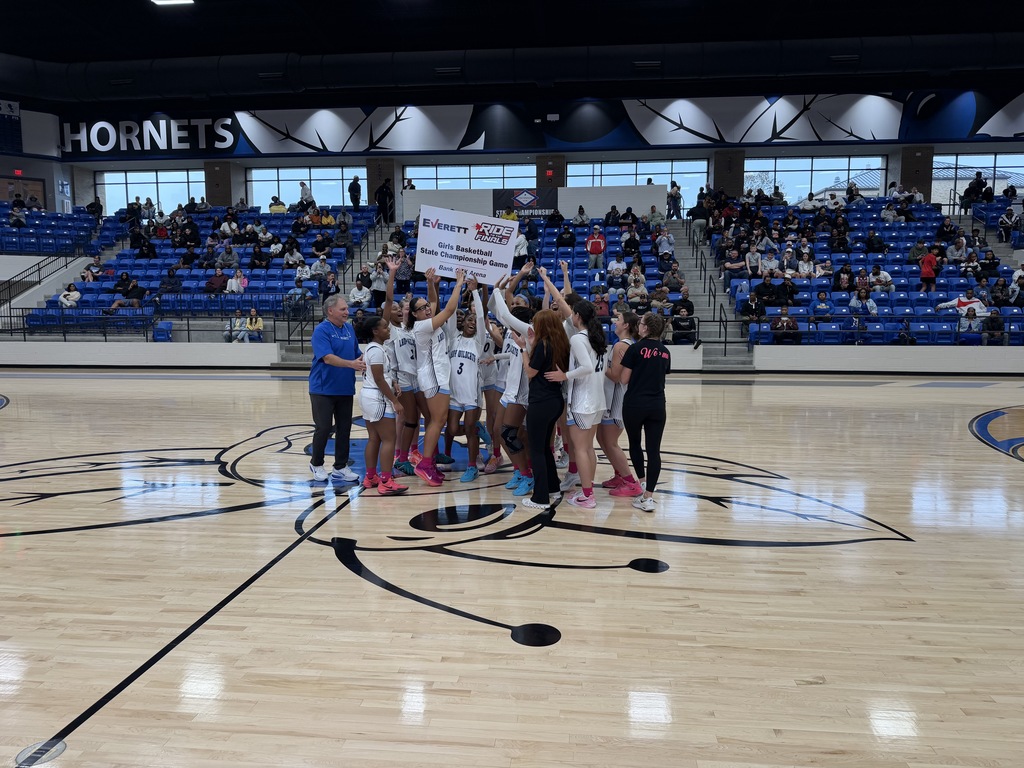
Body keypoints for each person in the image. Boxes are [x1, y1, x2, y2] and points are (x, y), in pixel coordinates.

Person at [544, 299, 607, 509]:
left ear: (578, 316)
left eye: (573, 314)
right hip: (597, 400)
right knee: (588, 449)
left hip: (583, 401)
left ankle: (588, 495)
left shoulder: (579, 339)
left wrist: (565, 375)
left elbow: (587, 367)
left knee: (581, 449)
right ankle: (588, 490)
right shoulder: (597, 337)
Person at [409, 268, 467, 486]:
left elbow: (433, 303)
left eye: (426, 307)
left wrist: (431, 284)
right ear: (414, 314)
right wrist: (458, 283)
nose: (427, 309)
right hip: (433, 377)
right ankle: (425, 464)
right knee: (438, 420)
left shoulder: (427, 318)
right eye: (421, 308)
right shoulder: (422, 326)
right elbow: (449, 309)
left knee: (437, 421)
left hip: (438, 375)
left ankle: (430, 462)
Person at [512, 308, 570, 510]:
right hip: (555, 401)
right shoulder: (560, 344)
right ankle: (553, 487)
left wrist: (522, 349)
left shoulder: (543, 345)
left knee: (536, 449)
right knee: (545, 447)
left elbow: (530, 372)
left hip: (541, 401)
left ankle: (540, 497)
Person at [308, 295, 365, 483]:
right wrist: (351, 364)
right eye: (343, 309)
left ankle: (340, 466)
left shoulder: (349, 328)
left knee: (344, 429)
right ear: (330, 311)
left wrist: (369, 360)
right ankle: (316, 464)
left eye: (347, 309)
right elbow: (327, 358)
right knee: (323, 428)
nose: (347, 312)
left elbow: (357, 353)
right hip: (322, 389)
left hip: (345, 388)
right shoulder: (321, 330)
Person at [619, 313, 670, 513]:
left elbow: (623, 380)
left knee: (635, 445)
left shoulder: (635, 349)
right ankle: (648, 497)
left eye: (640, 324)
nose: (638, 326)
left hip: (634, 404)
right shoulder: (666, 352)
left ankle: (641, 486)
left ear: (646, 328)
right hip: (658, 405)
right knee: (654, 450)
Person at [357, 315, 407, 495]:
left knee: (374, 438)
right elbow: (378, 378)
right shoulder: (377, 350)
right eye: (385, 327)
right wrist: (394, 401)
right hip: (377, 397)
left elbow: (381, 375)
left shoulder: (373, 348)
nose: (388, 329)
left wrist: (393, 382)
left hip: (368, 395)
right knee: (389, 439)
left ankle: (370, 476)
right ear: (375, 332)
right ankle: (386, 480)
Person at [445, 280, 488, 482]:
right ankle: (480, 430)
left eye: (474, 321)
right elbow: (451, 313)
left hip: (472, 394)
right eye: (468, 320)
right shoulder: (453, 337)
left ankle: (472, 466)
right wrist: (457, 286)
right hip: (454, 394)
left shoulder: (479, 342)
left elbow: (481, 316)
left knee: (469, 429)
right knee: (452, 429)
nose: (472, 322)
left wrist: (475, 292)